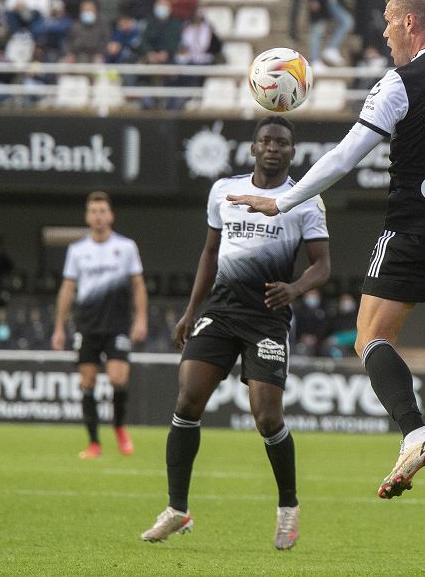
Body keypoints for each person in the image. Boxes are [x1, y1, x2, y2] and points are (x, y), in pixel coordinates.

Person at [228, 0, 425, 500]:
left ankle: (416, 433)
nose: (386, 32)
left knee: (371, 336)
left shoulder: (401, 80)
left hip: (413, 224)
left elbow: (346, 157)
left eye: (390, 20)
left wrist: (283, 200)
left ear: (411, 23)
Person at [141, 116, 330, 550]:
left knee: (267, 417)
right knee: (188, 400)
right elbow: (210, 252)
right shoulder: (223, 191)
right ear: (252, 148)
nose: (272, 147)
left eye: (281, 142)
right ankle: (176, 509)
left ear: (292, 150)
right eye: (265, 140)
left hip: (267, 317)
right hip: (221, 312)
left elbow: (323, 266)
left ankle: (288, 508)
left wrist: (295, 288)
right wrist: (191, 312)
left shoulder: (303, 200)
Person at [52, 191, 148, 459]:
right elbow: (67, 289)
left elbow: (138, 285)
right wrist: (60, 327)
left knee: (118, 378)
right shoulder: (77, 250)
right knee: (87, 381)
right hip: (86, 325)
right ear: (87, 216)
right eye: (93, 211)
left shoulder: (126, 247)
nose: (98, 216)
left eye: (102, 211)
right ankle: (94, 443)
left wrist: (140, 319)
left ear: (111, 215)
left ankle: (118, 427)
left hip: (117, 324)